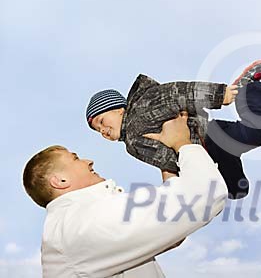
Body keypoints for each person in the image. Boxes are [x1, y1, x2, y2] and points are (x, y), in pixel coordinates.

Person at [23, 114, 228, 277]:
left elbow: (170, 234)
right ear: (60, 181)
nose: (89, 161)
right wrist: (182, 143)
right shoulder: (81, 223)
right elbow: (205, 194)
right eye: (75, 159)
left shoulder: (74, 223)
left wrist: (168, 170)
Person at [85, 60, 261, 199]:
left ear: (119, 109)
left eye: (102, 121)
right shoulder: (131, 144)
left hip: (209, 135)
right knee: (236, 191)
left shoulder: (143, 106)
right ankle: (232, 173)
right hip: (201, 155)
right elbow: (162, 156)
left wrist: (221, 95)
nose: (103, 130)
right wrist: (170, 181)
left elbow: (178, 93)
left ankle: (250, 89)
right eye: (98, 130)